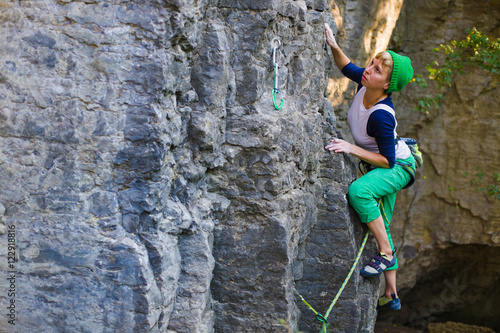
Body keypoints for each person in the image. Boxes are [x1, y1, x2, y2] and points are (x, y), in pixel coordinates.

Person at [324, 23, 416, 311]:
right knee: (381, 223)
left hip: (398, 166)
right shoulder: (366, 82)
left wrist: (352, 148)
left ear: (386, 85)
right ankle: (391, 291)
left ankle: (386, 253)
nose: (369, 69)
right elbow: (346, 66)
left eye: (377, 70)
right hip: (388, 161)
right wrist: (332, 44)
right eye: (373, 62)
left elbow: (388, 161)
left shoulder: (382, 116)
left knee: (360, 192)